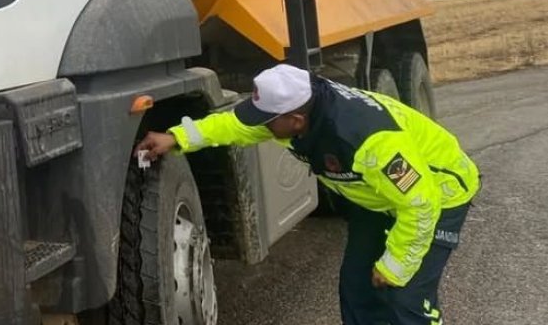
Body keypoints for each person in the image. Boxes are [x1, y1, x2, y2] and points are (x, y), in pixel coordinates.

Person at [136, 63, 479, 325]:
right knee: (358, 287)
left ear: (297, 120)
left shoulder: (368, 141)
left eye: (268, 119)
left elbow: (421, 204)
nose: (261, 125)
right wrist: (177, 137)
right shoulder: (301, 108)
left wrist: (395, 265)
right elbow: (235, 125)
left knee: (405, 297)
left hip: (439, 194)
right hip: (377, 198)